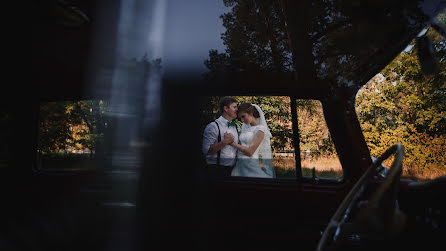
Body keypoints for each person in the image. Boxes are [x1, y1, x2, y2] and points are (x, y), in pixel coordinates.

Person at [230, 102, 276, 178]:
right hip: (239, 165)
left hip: (251, 165)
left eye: (243, 116)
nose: (242, 120)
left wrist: (232, 143)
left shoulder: (261, 130)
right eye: (240, 118)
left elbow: (250, 152)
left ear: (251, 113)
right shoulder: (245, 129)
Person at [202, 96, 240, 177]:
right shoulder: (213, 126)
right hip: (217, 170)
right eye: (234, 107)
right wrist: (225, 142)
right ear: (226, 108)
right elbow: (206, 151)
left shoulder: (236, 126)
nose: (237, 109)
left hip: (234, 170)